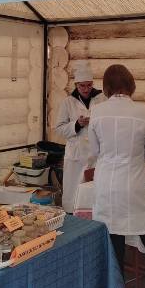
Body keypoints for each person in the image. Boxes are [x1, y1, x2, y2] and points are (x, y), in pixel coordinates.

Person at [89, 64, 145, 288]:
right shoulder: (143, 112)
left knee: (114, 245)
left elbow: (94, 151)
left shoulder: (97, 112)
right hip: (133, 187)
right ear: (130, 85)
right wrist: (137, 154)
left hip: (106, 187)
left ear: (106, 87)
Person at [54, 62, 106, 213]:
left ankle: (93, 216)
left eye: (89, 85)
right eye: (82, 86)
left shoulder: (101, 99)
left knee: (94, 192)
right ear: (76, 85)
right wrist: (77, 124)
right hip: (76, 156)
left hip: (96, 154)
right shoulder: (68, 102)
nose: (86, 89)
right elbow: (59, 128)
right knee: (74, 192)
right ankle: (72, 214)